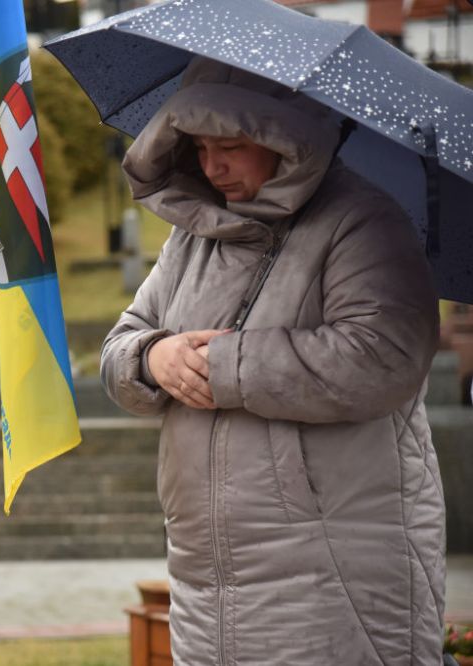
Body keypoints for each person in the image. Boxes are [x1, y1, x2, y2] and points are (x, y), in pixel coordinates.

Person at [100, 57, 445, 665]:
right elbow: (122, 341)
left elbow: (385, 357)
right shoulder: (193, 234)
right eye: (201, 146)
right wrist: (154, 357)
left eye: (231, 145)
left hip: (330, 580)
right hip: (205, 580)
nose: (212, 166)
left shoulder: (364, 222)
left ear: (287, 139)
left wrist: (223, 364)